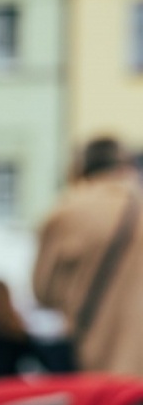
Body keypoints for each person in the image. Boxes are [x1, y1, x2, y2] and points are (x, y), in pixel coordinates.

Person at [34, 137, 143, 377]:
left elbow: (42, 292)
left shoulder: (67, 212)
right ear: (126, 167)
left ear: (79, 170)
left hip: (94, 359)